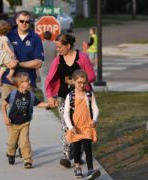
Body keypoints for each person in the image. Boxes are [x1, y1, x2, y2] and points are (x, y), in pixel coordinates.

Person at [45, 34, 96, 168]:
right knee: (66, 126)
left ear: (68, 46)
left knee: (81, 126)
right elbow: (49, 78)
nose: (58, 49)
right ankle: (67, 156)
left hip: (81, 98)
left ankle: (78, 156)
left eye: (60, 47)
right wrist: (50, 96)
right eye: (57, 47)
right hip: (63, 97)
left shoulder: (82, 58)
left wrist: (77, 82)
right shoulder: (58, 60)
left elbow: (91, 76)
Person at [1, 72, 50, 169]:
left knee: (24, 142)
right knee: (12, 142)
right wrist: (5, 117)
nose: (30, 82)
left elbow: (38, 104)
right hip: (12, 123)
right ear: (21, 83)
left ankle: (27, 160)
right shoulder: (13, 94)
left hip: (25, 123)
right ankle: (11, 154)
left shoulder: (30, 95)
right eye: (27, 81)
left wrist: (49, 105)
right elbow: (3, 104)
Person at [63, 70, 101, 179]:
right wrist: (71, 127)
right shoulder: (70, 96)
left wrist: (94, 120)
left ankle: (90, 170)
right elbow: (66, 114)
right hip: (76, 127)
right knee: (76, 148)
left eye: (84, 82)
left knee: (88, 148)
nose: (82, 85)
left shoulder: (89, 94)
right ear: (74, 81)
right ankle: (77, 168)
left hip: (87, 126)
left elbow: (95, 108)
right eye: (79, 82)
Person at [1, 10, 44, 100]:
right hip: (8, 83)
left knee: (26, 113)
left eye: (27, 21)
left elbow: (38, 63)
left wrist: (18, 64)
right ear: (17, 21)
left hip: (27, 83)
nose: (24, 23)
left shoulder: (35, 38)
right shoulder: (8, 36)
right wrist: (8, 63)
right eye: (21, 21)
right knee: (9, 111)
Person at [0, 20, 17, 85]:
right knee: (13, 65)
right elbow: (6, 46)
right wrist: (12, 53)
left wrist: (0, 47)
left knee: (3, 67)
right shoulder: (5, 38)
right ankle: (9, 75)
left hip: (0, 56)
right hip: (7, 55)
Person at [40, 31, 57, 101]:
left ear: (43, 36)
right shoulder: (55, 45)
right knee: (53, 84)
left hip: (43, 67)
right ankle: (53, 99)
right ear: (51, 36)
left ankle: (47, 100)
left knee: (44, 85)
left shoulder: (41, 45)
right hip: (53, 67)